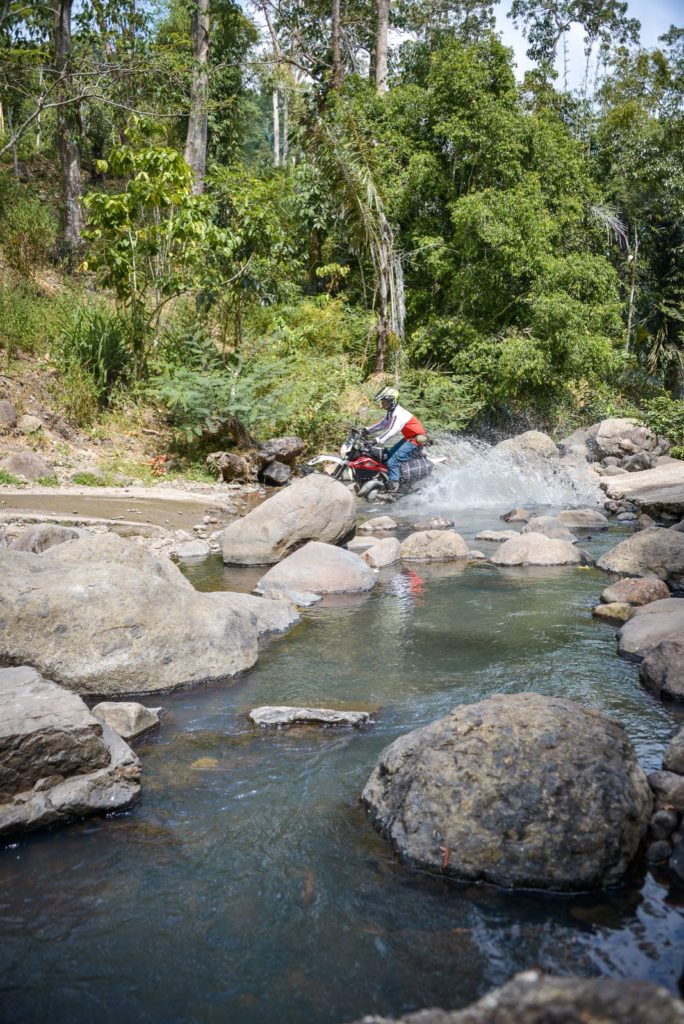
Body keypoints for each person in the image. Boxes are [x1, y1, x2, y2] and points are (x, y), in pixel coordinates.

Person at [365, 386, 428, 492]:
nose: (382, 403)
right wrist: (366, 430)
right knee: (388, 455)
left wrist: (376, 440)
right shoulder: (392, 412)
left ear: (392, 401)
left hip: (416, 440)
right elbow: (382, 424)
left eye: (384, 401)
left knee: (392, 462)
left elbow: (392, 431)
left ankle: (393, 487)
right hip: (409, 438)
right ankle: (392, 478)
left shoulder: (399, 414)